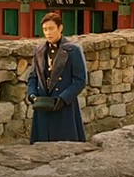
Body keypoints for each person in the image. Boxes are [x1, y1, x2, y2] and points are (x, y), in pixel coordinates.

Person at [26, 12, 88, 143]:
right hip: (43, 104)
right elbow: (33, 76)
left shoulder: (73, 50)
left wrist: (63, 99)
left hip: (64, 106)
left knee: (66, 145)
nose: (48, 33)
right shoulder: (39, 50)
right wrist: (32, 94)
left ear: (60, 28)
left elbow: (80, 80)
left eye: (51, 29)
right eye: (45, 29)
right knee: (42, 145)